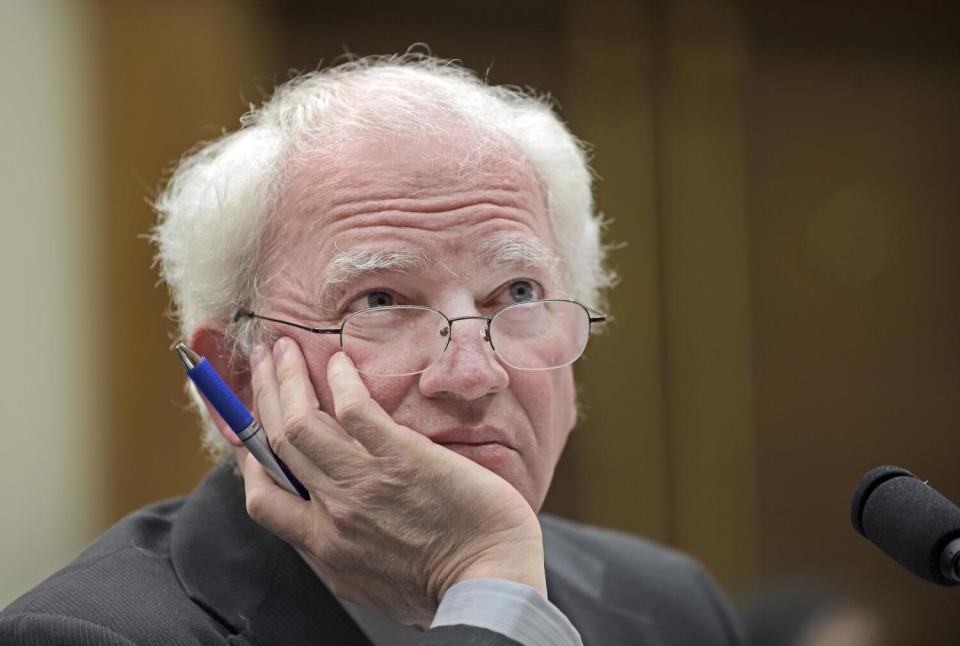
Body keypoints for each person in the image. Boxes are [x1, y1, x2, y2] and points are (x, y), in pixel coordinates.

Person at [0, 55, 743, 645]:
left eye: (517, 294)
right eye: (381, 302)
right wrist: (491, 591)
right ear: (237, 377)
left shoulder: (671, 605)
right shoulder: (86, 634)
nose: (473, 373)